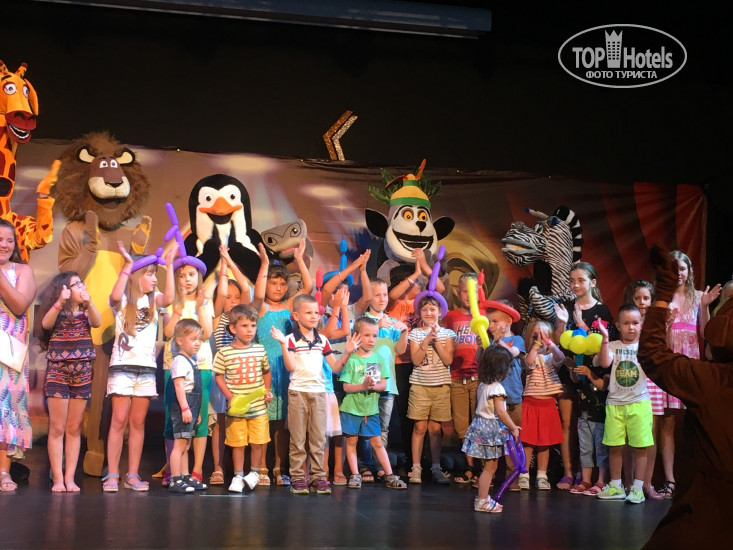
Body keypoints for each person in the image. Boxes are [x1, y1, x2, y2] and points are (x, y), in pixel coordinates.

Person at [639, 245, 730, 548]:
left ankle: (670, 479)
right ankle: (657, 480)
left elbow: (655, 353)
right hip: (675, 362)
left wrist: (673, 296)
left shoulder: (712, 381)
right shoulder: (708, 379)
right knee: (660, 424)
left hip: (705, 518)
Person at [102, 242, 175, 492]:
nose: (154, 279)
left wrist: (170, 267)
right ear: (137, 276)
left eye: (155, 274)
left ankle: (132, 475)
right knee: (118, 420)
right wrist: (127, 265)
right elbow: (113, 297)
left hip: (145, 369)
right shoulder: (123, 299)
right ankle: (113, 474)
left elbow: (170, 298)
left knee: (137, 422)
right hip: (123, 366)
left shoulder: (154, 300)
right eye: (150, 274)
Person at [270, 294, 356, 495]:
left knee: (318, 438)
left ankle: (318, 477)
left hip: (318, 393)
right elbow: (290, 366)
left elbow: (335, 367)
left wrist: (347, 352)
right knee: (298, 438)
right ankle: (298, 477)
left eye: (316, 312)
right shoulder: (291, 339)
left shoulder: (322, 340)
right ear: (296, 316)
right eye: (308, 312)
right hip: (298, 393)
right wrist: (283, 345)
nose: (314, 316)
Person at [652, 250, 718, 498]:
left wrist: (705, 307)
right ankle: (670, 479)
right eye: (673, 268)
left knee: (694, 419)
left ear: (689, 270)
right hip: (669, 361)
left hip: (689, 362)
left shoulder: (698, 296)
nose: (678, 273)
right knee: (667, 421)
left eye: (682, 268)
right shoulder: (662, 298)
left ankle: (697, 477)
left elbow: (706, 333)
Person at [554, 261, 616, 493]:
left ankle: (594, 476)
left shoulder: (602, 311)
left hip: (594, 377)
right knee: (571, 424)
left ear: (593, 282)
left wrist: (582, 324)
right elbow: (559, 340)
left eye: (581, 280)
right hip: (571, 372)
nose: (576, 285)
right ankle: (571, 472)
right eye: (572, 281)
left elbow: (605, 343)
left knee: (595, 428)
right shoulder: (567, 307)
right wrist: (562, 323)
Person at [253, 239, 311, 486]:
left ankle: (279, 466)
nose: (277, 288)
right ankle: (261, 466)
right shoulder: (261, 308)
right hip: (264, 370)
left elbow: (308, 286)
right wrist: (264, 264)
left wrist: (299, 259)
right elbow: (257, 294)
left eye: (281, 284)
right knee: (262, 420)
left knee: (282, 423)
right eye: (273, 283)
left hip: (285, 370)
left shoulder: (289, 306)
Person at [38, 271, 101, 492]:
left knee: (74, 428)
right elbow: (45, 324)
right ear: (64, 288)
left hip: (82, 372)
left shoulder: (85, 311)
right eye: (76, 284)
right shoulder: (57, 310)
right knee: (57, 427)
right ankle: (57, 478)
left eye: (82, 283)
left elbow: (97, 322)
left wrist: (89, 302)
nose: (82, 286)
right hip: (58, 371)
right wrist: (59, 302)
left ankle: (70, 478)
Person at [592, 304, 653, 504]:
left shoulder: (644, 347)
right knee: (615, 446)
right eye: (626, 323)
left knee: (640, 446)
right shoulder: (612, 345)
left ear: (641, 324)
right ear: (618, 325)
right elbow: (604, 363)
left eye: (635, 323)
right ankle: (616, 486)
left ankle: (637, 488)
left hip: (639, 403)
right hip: (615, 404)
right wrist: (604, 338)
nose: (631, 327)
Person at [339, 317, 407, 490]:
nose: (371, 340)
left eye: (374, 336)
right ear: (357, 336)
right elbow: (346, 387)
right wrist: (362, 386)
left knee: (377, 442)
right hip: (352, 409)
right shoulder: (353, 360)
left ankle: (389, 474)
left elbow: (382, 384)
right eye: (367, 335)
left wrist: (372, 386)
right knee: (352, 442)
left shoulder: (376, 359)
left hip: (370, 410)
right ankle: (355, 474)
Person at [213, 305, 273, 493]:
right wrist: (230, 396)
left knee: (258, 441)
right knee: (237, 443)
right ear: (233, 328)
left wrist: (267, 391)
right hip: (237, 409)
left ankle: (254, 473)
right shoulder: (224, 352)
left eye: (253, 326)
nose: (250, 330)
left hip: (258, 407)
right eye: (245, 326)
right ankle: (238, 476)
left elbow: (266, 372)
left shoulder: (260, 349)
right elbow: (218, 376)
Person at [209, 245, 253, 485]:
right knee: (220, 423)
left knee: (242, 423)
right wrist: (223, 265)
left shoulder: (245, 318)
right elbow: (222, 292)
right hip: (222, 380)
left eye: (237, 298)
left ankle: (242, 470)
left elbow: (246, 287)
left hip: (243, 379)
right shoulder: (218, 318)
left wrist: (229, 260)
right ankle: (218, 468)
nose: (234, 301)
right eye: (229, 297)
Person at [359, 277, 408, 481]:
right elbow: (360, 345)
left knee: (383, 427)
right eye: (377, 295)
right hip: (370, 373)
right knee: (366, 423)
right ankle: (365, 465)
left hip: (388, 378)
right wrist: (376, 327)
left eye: (385, 294)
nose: (382, 299)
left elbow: (400, 350)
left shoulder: (391, 321)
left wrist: (404, 332)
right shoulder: (364, 320)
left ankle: (380, 465)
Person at [0, 219, 36, 492]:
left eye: (9, 240)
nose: (4, 244)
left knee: (5, 410)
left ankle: (3, 472)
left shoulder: (22, 270)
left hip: (8, 355)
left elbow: (20, 305)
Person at [462, 345, 521, 513]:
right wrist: (513, 428)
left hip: (481, 425)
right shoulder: (497, 388)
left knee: (488, 467)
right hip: (490, 429)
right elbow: (501, 412)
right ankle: (482, 500)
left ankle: (483, 497)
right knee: (490, 468)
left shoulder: (483, 384)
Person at [407, 295, 456, 484]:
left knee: (435, 429)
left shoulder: (448, 334)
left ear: (440, 312)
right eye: (425, 309)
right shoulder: (415, 334)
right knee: (419, 427)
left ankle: (436, 467)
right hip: (420, 386)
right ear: (420, 312)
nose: (429, 313)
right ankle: (416, 468)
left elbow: (448, 360)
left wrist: (436, 341)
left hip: (441, 387)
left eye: (432, 309)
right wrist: (427, 340)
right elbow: (416, 360)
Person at [624, 279, 664, 499]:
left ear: (652, 300)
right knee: (629, 436)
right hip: (631, 380)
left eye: (646, 298)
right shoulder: (627, 321)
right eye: (637, 298)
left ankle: (647, 484)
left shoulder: (657, 323)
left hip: (652, 382)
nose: (642, 302)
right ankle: (629, 483)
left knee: (649, 436)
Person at [442, 273, 482, 485]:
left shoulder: (483, 315)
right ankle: (470, 466)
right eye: (466, 291)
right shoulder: (450, 317)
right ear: (458, 292)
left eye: (474, 291)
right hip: (456, 378)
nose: (470, 295)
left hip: (478, 378)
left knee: (480, 422)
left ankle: (482, 468)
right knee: (461, 425)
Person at [518, 320, 564, 491]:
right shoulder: (529, 355)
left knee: (545, 442)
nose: (540, 339)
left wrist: (550, 343)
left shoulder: (551, 357)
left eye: (544, 336)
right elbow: (529, 363)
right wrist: (536, 345)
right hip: (530, 403)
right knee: (527, 442)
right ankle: (524, 474)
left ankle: (542, 475)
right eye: (535, 336)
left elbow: (561, 357)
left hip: (548, 404)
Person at [484, 300, 524, 489]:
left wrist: (498, 341)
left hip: (513, 397)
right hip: (494, 399)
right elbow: (482, 362)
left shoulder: (517, 340)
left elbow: (511, 354)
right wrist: (483, 346)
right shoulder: (490, 341)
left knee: (513, 438)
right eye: (489, 322)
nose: (491, 326)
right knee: (491, 439)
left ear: (508, 321)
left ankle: (512, 477)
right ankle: (488, 475)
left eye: (494, 321)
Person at [168, 319, 205, 494]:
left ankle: (184, 475)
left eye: (199, 339)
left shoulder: (191, 360)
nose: (197, 343)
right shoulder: (180, 361)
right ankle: (175, 479)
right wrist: (185, 408)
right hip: (184, 405)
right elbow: (179, 386)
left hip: (191, 405)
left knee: (186, 445)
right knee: (179, 445)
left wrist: (195, 412)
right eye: (193, 339)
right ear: (180, 340)